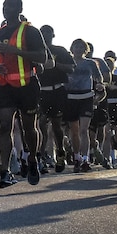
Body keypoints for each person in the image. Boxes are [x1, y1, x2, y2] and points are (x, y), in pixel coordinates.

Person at [0, 0, 48, 188]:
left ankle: (32, 160)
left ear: (19, 9)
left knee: (29, 127)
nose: (7, 9)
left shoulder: (30, 31)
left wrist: (15, 50)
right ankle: (5, 170)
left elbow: (42, 57)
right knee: (5, 126)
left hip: (27, 85)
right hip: (4, 86)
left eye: (12, 6)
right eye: (5, 6)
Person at [63, 39, 105, 173]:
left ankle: (86, 159)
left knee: (84, 130)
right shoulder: (67, 61)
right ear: (72, 48)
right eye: (76, 46)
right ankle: (77, 157)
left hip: (86, 97)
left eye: (81, 47)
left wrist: (99, 85)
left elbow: (99, 78)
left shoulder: (91, 63)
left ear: (85, 49)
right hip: (71, 97)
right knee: (74, 131)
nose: (78, 49)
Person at [38, 25, 74, 172]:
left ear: (53, 35)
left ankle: (60, 152)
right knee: (40, 124)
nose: (45, 35)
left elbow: (72, 68)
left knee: (56, 125)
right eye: (42, 33)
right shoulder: (36, 51)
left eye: (48, 33)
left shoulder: (60, 50)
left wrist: (55, 65)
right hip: (40, 92)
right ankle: (41, 156)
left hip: (57, 91)